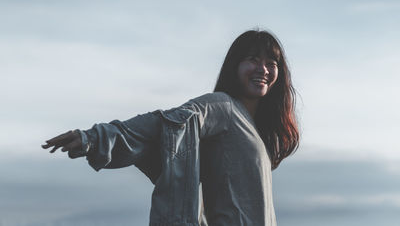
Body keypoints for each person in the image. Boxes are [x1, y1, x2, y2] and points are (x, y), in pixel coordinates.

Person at [42, 29, 300, 226]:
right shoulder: (222, 106)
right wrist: (95, 138)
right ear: (235, 66)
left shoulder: (253, 128)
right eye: (253, 59)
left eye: (271, 63)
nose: (263, 69)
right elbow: (168, 123)